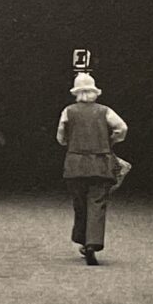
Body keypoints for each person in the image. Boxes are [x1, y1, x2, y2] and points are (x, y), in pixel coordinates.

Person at [57, 73, 129, 263]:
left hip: (75, 164)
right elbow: (122, 128)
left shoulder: (68, 111)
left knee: (80, 203)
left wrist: (70, 142)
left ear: (76, 93)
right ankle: (92, 243)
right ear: (94, 91)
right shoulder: (105, 111)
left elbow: (60, 136)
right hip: (100, 163)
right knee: (97, 202)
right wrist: (110, 140)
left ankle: (82, 239)